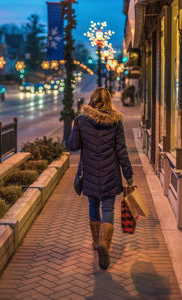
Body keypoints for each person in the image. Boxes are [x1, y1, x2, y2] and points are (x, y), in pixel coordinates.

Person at [67, 87, 133, 270]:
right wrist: (128, 174)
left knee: (93, 206)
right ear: (108, 101)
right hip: (110, 173)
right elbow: (122, 150)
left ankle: (97, 242)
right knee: (108, 208)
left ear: (92, 99)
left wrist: (75, 127)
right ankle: (105, 243)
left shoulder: (81, 121)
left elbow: (72, 146)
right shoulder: (115, 122)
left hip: (89, 172)